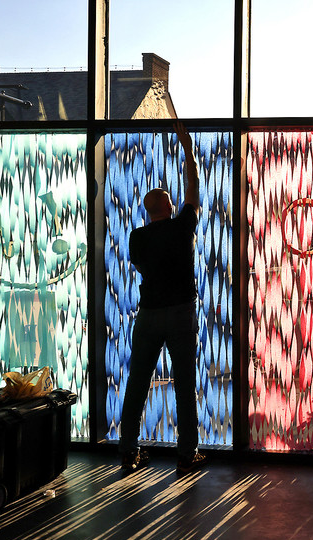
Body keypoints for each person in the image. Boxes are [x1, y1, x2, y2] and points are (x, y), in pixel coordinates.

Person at [119, 122, 207, 475]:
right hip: (181, 312)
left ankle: (129, 452)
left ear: (146, 210)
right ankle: (186, 454)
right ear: (169, 205)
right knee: (185, 383)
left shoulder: (137, 237)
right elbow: (194, 185)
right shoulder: (183, 224)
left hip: (149, 314)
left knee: (137, 382)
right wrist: (187, 151)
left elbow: (140, 269)